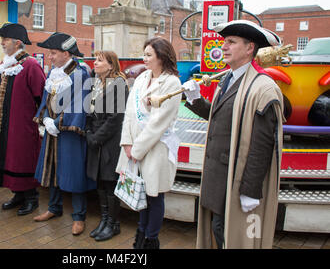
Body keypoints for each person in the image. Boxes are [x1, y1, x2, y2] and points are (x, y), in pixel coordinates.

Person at [182, 20, 285, 249]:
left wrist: (250, 190)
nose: (224, 47)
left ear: (250, 48)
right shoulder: (228, 79)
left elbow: (262, 145)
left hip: (237, 180)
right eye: (224, 42)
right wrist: (195, 99)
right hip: (219, 176)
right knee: (219, 231)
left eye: (231, 42)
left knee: (230, 236)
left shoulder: (263, 88)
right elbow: (222, 117)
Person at [116, 37, 182, 249]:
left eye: (148, 55)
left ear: (161, 57)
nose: (143, 59)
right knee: (140, 192)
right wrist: (127, 142)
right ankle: (140, 236)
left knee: (154, 195)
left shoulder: (172, 83)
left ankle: (151, 240)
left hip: (156, 148)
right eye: (143, 54)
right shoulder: (143, 77)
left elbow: (158, 123)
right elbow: (129, 111)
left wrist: (137, 150)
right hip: (134, 147)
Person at [33, 32, 95, 236]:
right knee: (53, 170)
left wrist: (58, 123)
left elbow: (80, 105)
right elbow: (45, 98)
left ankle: (79, 216)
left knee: (74, 173)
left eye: (53, 53)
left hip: (70, 132)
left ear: (66, 53)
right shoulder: (54, 72)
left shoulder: (80, 74)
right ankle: (54, 208)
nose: (49, 57)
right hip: (52, 129)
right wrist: (45, 119)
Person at [0, 23, 46, 216]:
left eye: (5, 39)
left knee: (24, 161)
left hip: (24, 126)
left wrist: (38, 122)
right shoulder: (7, 65)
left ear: (18, 43)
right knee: (11, 159)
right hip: (7, 125)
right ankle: (18, 194)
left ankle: (32, 197)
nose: (2, 43)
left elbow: (42, 97)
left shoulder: (30, 65)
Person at [86, 51, 129, 242]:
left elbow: (115, 119)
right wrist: (88, 132)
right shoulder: (97, 83)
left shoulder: (119, 85)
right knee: (100, 183)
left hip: (109, 142)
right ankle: (104, 221)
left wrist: (96, 138)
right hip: (96, 139)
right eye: (95, 59)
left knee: (110, 184)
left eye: (99, 60)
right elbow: (90, 112)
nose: (94, 63)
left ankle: (113, 224)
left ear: (111, 65)